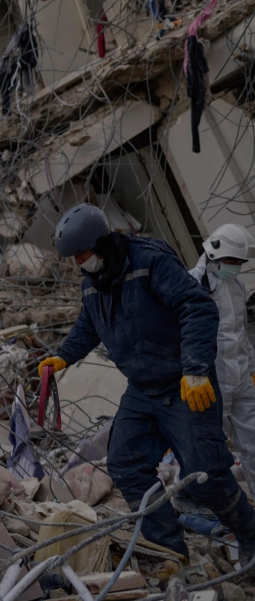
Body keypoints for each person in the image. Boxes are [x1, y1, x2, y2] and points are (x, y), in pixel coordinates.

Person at [39, 203, 255, 563]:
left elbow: (197, 307)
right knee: (126, 465)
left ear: (101, 243)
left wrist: (196, 369)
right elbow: (89, 324)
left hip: (184, 385)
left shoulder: (150, 261)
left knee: (205, 475)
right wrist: (64, 356)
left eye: (81, 254)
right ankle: (170, 551)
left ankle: (250, 535)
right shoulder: (92, 283)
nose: (77, 262)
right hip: (142, 390)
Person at [188, 224, 255, 495]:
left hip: (241, 378)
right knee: (210, 450)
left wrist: (252, 369)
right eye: (233, 261)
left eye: (240, 263)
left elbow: (241, 334)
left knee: (253, 441)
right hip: (211, 382)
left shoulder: (236, 286)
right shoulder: (191, 284)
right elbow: (184, 336)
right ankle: (200, 500)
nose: (236, 267)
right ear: (214, 254)